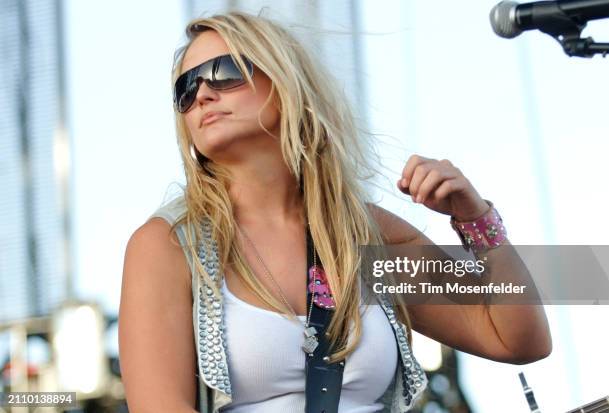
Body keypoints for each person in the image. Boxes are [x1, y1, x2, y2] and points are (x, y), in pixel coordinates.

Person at [118, 10, 552, 413]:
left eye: (225, 72)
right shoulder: (168, 245)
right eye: (186, 88)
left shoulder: (363, 232)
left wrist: (474, 218)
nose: (203, 95)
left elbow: (515, 338)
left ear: (287, 82)